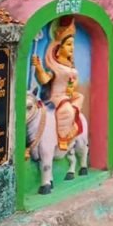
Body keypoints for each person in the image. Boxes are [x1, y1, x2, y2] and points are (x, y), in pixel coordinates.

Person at [31, 16, 85, 151]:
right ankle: (63, 137)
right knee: (66, 109)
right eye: (68, 44)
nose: (72, 48)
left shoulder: (70, 65)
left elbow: (73, 81)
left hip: (67, 95)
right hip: (56, 96)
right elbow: (44, 79)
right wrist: (38, 67)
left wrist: (72, 87)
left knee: (80, 97)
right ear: (58, 48)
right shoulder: (55, 67)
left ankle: (73, 125)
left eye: (72, 44)